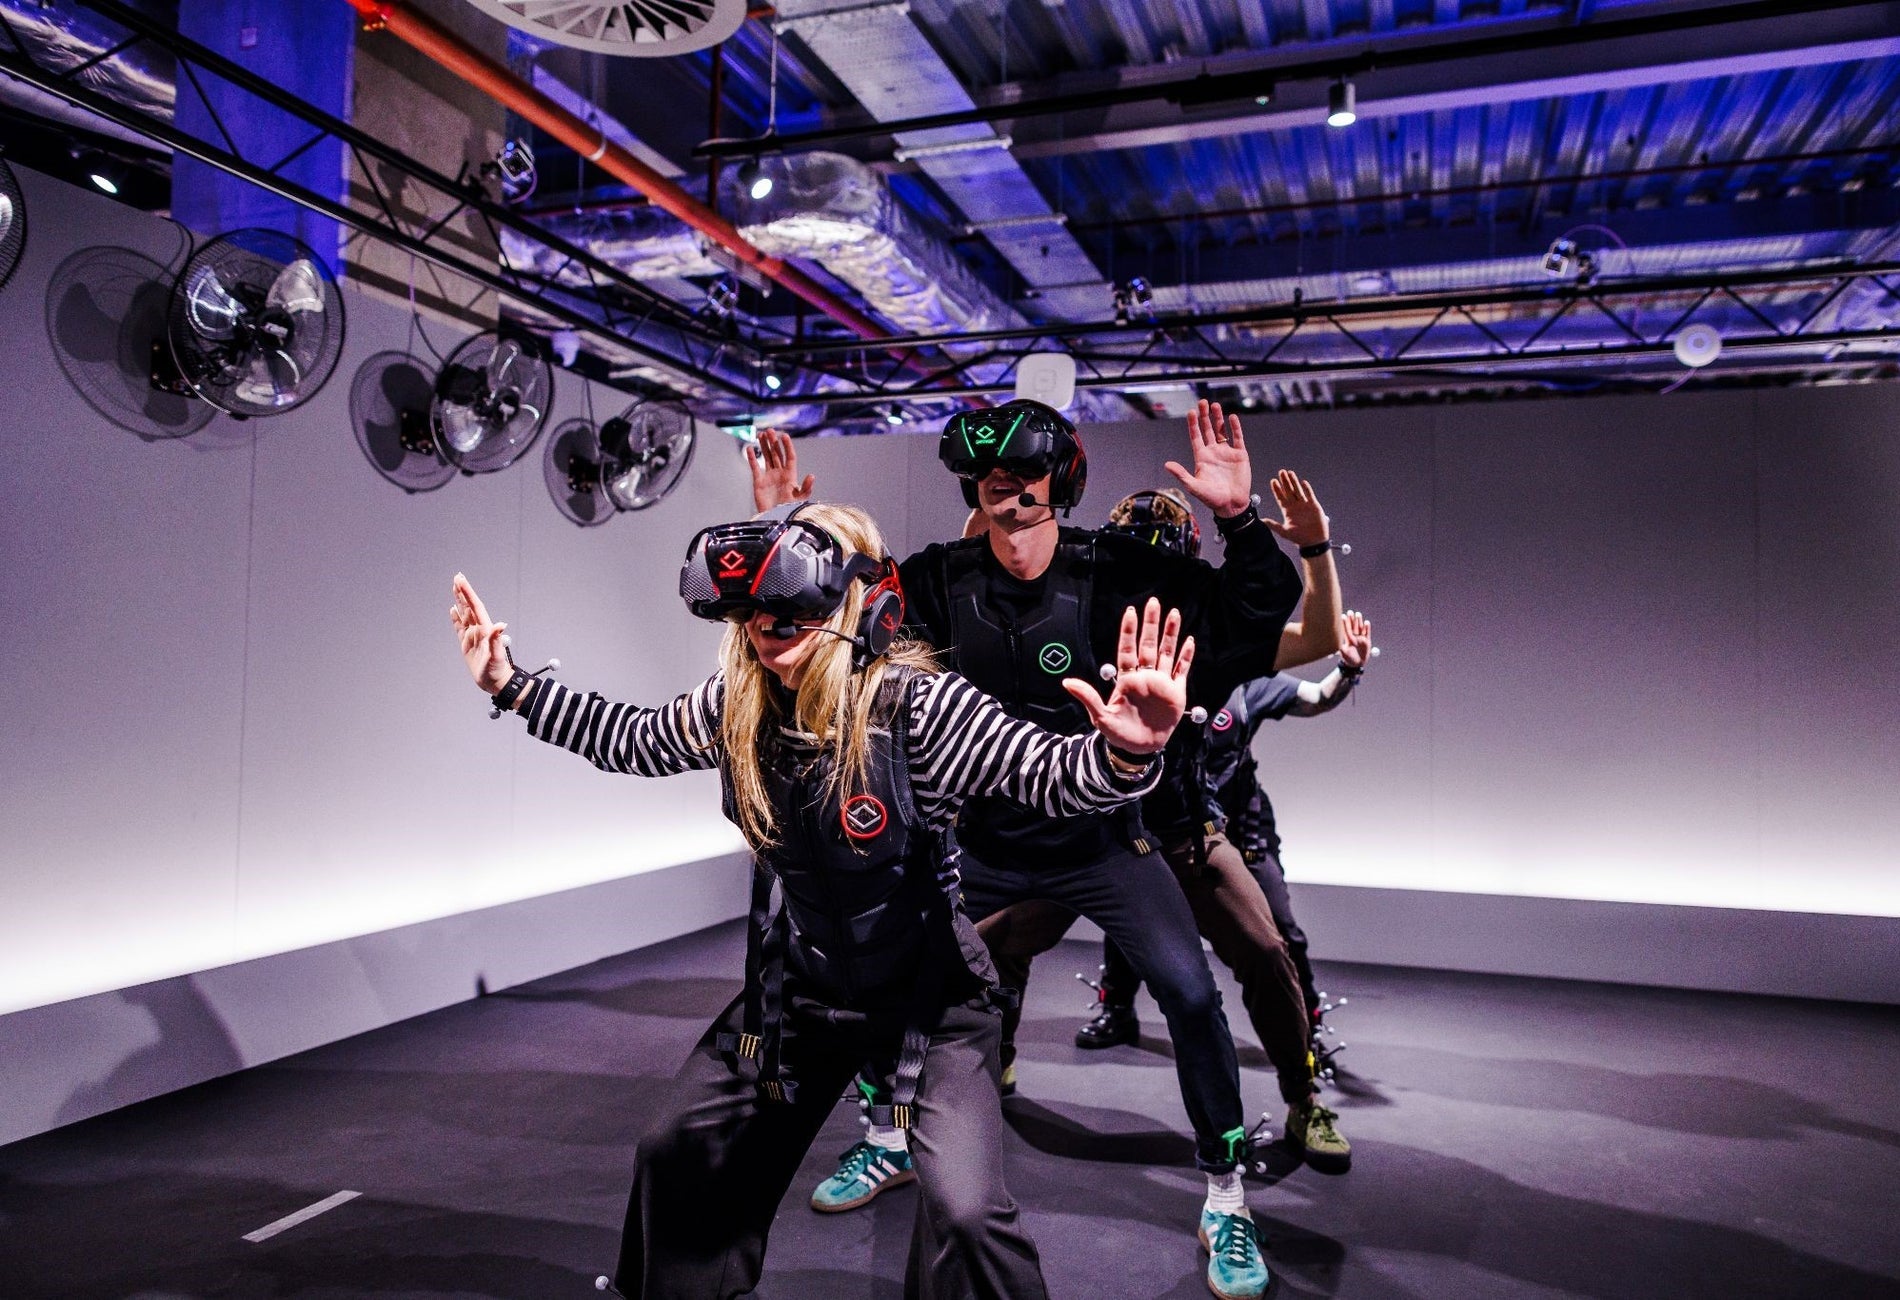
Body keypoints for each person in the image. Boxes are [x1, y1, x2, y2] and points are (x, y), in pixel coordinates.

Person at [448, 500, 1193, 1300]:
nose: (769, 626)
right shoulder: (736, 706)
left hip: (932, 997)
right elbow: (630, 738)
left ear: (860, 601)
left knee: (968, 1213)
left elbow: (1045, 772)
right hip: (801, 994)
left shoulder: (918, 707)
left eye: (795, 600)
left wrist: (1124, 754)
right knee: (677, 1148)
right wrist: (512, 686)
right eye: (756, 610)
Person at [749, 402, 1330, 1300]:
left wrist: (1239, 518)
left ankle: (1226, 1196)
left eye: (1026, 476)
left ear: (1063, 483)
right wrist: (784, 524)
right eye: (993, 480)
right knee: (883, 973)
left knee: (1188, 992)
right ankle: (889, 1135)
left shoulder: (1119, 572)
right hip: (980, 844)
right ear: (973, 490)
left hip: (1103, 839)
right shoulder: (936, 582)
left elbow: (1256, 614)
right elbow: (821, 615)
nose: (1009, 492)